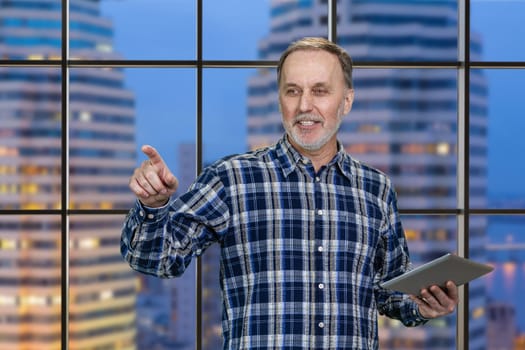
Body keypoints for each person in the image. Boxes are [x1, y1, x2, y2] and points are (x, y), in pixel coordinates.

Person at [121, 37, 459, 349]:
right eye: (292, 91)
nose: (304, 106)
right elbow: (156, 260)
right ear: (280, 98)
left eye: (320, 91)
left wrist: (423, 306)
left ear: (347, 101)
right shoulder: (232, 179)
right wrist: (154, 206)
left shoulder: (376, 189)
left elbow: (389, 293)